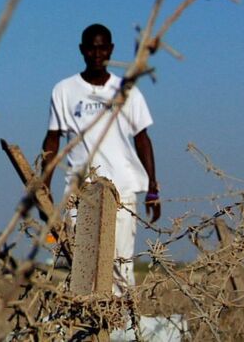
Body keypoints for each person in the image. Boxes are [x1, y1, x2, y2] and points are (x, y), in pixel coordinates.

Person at [41, 23, 160, 293]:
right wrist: (43, 187)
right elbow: (52, 139)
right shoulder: (64, 90)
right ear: (82, 50)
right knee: (83, 269)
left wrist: (153, 188)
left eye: (102, 48)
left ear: (111, 50)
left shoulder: (126, 90)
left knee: (121, 267)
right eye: (91, 48)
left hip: (123, 192)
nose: (97, 54)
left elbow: (142, 139)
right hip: (80, 193)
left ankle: (119, 329)